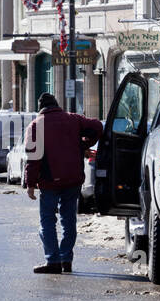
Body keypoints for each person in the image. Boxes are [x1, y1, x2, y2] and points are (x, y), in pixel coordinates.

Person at [23, 92, 104, 275]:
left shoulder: (36, 125)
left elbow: (33, 158)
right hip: (73, 179)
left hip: (49, 181)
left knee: (47, 221)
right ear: (56, 104)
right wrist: (84, 144)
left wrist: (30, 184)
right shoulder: (73, 119)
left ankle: (53, 261)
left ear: (40, 108)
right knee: (69, 220)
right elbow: (98, 126)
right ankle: (66, 259)